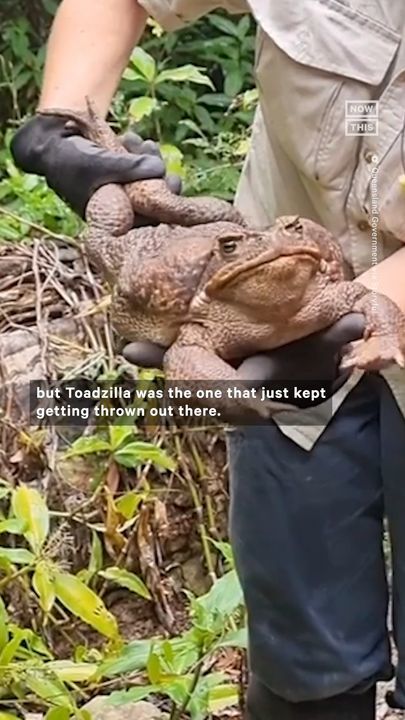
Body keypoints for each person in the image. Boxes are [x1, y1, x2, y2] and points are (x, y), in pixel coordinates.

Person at [10, 1, 405, 718]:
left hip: (320, 301)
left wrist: (348, 318)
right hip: (260, 286)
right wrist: (62, 126)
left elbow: (359, 300)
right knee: (302, 652)